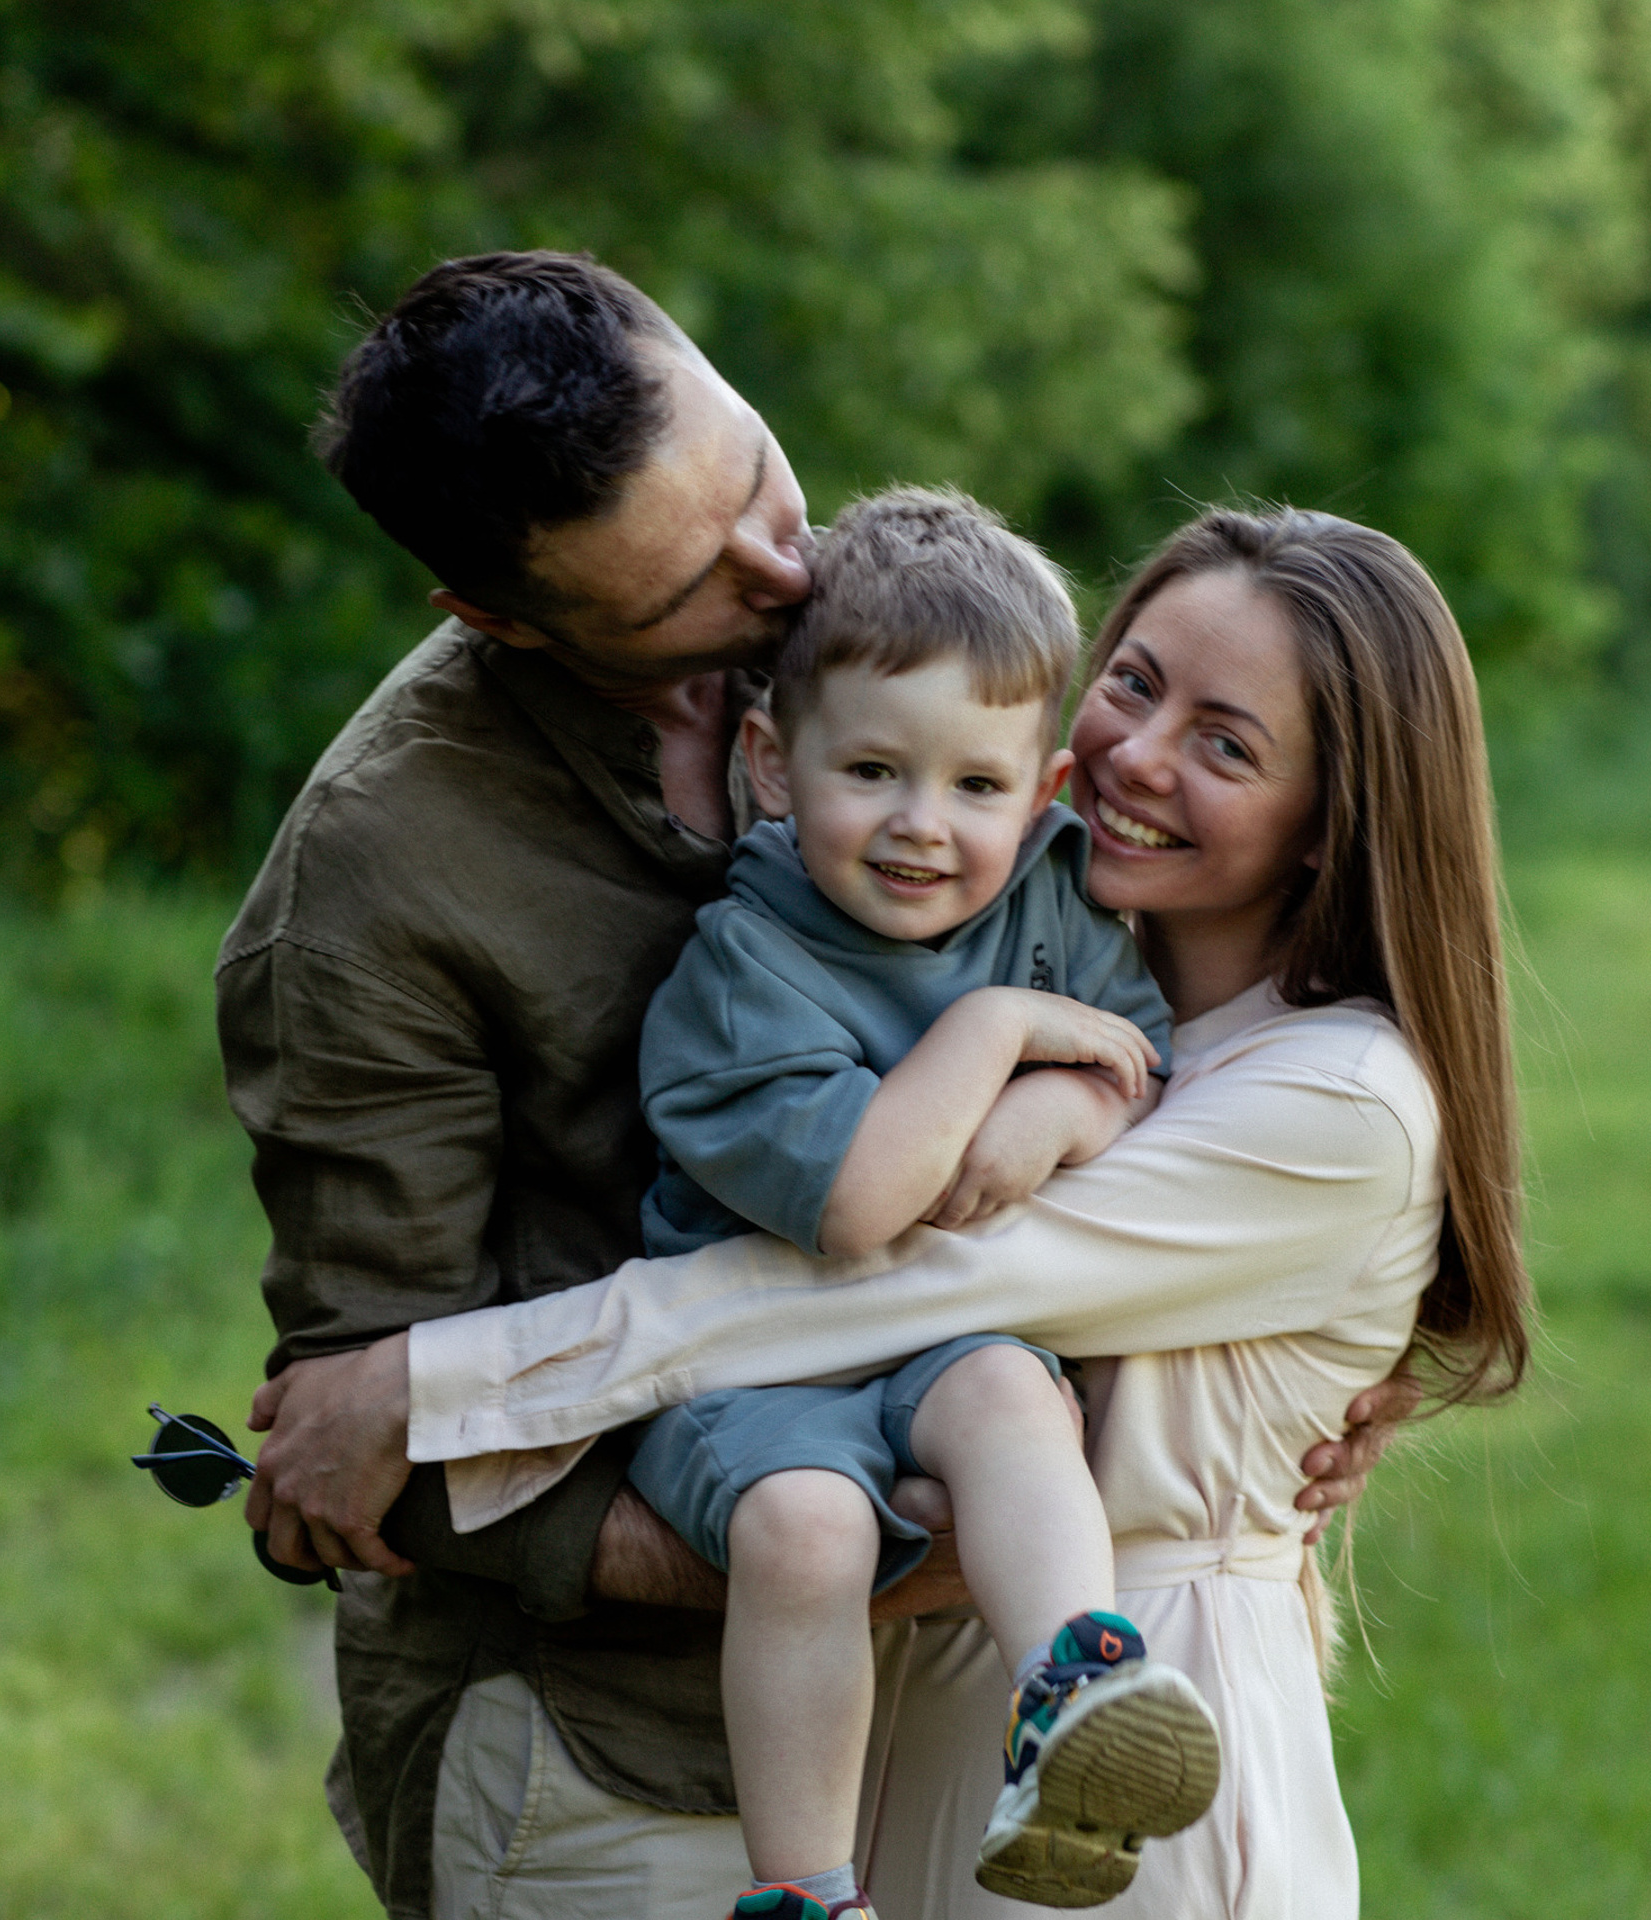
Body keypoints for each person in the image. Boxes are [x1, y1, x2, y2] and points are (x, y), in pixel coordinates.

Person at [226, 249, 1399, 1920]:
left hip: (937, 1717)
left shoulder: (880, 636)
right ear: (499, 613)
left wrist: (1307, 1377)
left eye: (761, 478)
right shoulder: (377, 888)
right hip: (602, 1757)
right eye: (683, 588)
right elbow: (374, 1456)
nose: (784, 573)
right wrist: (877, 1549)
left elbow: (1206, 1043)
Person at [626, 484, 1228, 1919]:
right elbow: (865, 1205)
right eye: (874, 772)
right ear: (772, 762)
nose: (921, 828)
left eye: (975, 787)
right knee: (809, 1535)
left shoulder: (1057, 896)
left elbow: (1133, 1064)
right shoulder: (741, 970)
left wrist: (1069, 1097)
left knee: (1019, 1408)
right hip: (758, 1361)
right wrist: (1002, 1030)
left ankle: (1076, 1694)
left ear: (1041, 797)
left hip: (949, 1336)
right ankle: (805, 1894)